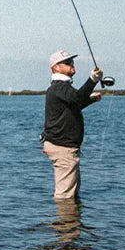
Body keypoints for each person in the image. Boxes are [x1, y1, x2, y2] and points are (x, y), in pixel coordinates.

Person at [42, 50, 103, 201]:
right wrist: (92, 80)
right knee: (65, 197)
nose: (72, 64)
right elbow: (76, 98)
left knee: (71, 194)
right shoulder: (60, 87)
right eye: (67, 62)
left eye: (72, 62)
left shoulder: (60, 88)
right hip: (63, 148)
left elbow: (74, 104)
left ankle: (70, 216)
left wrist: (90, 99)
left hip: (63, 147)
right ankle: (65, 217)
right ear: (56, 67)